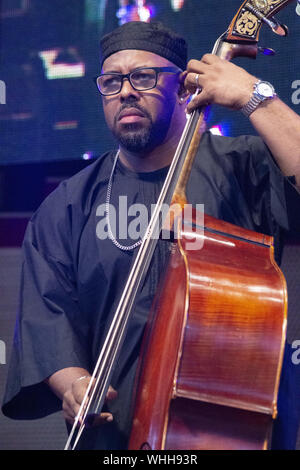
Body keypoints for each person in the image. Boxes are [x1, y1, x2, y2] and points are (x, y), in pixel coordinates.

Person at [2, 21, 300, 450]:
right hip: (115, 439)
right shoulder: (67, 205)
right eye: (111, 81)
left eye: (143, 77)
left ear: (184, 88)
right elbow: (48, 321)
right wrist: (72, 385)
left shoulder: (244, 167)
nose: (125, 91)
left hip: (233, 430)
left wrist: (254, 96)